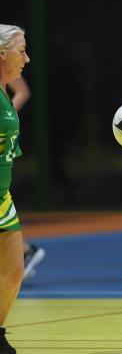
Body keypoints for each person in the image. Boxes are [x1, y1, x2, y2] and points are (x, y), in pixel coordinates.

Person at [0, 24, 30, 353]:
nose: (27, 57)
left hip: (2, 196)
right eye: (21, 50)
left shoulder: (4, 90)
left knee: (13, 273)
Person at [7, 78, 46, 280]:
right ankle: (23, 251)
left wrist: (5, 116)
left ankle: (23, 252)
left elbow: (22, 91)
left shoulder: (5, 55)